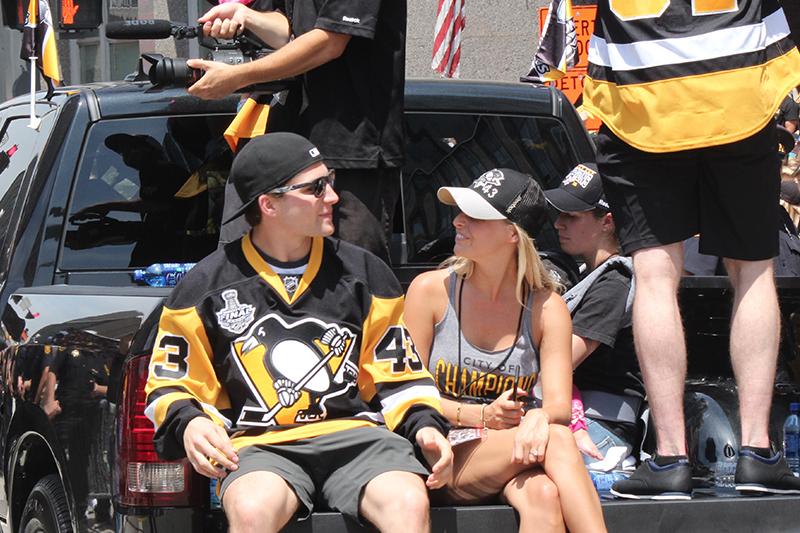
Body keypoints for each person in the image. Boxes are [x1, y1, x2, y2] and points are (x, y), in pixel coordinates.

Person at [144, 132, 453, 533]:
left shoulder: (366, 274)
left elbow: (401, 377)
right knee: (253, 512)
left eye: (331, 181)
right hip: (260, 445)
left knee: (408, 504)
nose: (333, 197)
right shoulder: (204, 286)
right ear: (269, 204)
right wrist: (191, 422)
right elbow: (171, 385)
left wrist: (425, 425)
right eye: (315, 188)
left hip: (359, 440)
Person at [581, 1, 800, 498]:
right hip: (739, 85)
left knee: (656, 277)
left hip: (642, 94)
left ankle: (669, 459)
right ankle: (757, 451)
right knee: (753, 272)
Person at [404, 168, 607, 533]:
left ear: (512, 234)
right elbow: (404, 396)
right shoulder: (429, 291)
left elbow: (558, 406)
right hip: (439, 449)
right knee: (559, 439)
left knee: (545, 495)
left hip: (510, 450)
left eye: (475, 216)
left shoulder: (547, 307)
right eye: (461, 212)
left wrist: (536, 418)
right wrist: (482, 416)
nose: (458, 222)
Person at [186, 0, 405, 264]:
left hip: (350, 155)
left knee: (349, 280)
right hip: (291, 156)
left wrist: (240, 76)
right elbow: (289, 31)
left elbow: (330, 41)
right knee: (273, 281)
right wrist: (247, 15)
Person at [544, 163, 643, 466]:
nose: (559, 224)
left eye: (571, 217)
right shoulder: (588, 273)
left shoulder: (615, 281)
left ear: (607, 222)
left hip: (601, 426)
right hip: (574, 415)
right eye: (559, 214)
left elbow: (561, 359)